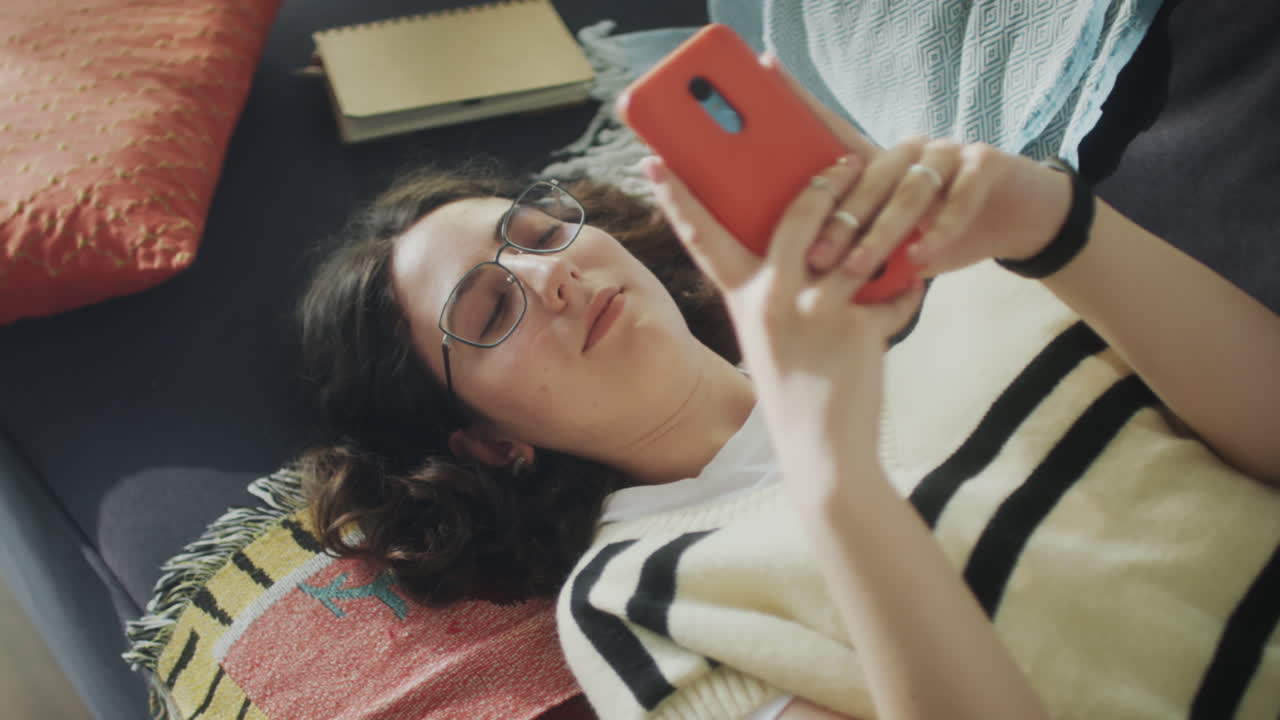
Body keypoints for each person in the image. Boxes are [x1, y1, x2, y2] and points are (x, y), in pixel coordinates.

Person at [295, 55, 1280, 719]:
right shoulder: (632, 601)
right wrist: (828, 467)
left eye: (540, 233)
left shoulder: (948, 281)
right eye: (486, 310)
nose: (547, 275)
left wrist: (1049, 223)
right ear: (484, 442)